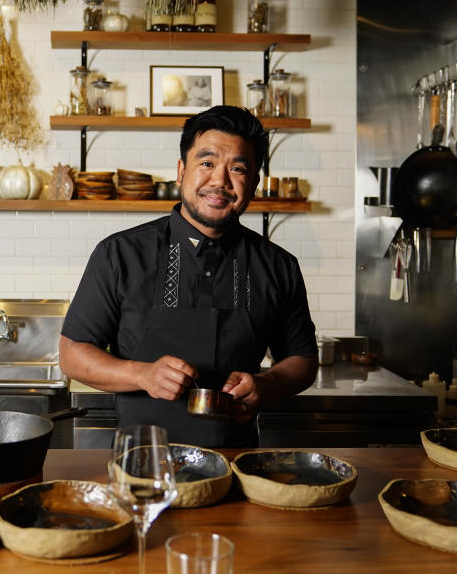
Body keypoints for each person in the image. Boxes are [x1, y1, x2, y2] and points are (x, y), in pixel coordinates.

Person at [59, 105, 318, 447]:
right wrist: (143, 374)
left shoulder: (278, 265)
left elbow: (303, 361)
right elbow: (72, 354)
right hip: (141, 465)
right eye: (207, 163)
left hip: (235, 466)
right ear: (181, 171)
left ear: (254, 183)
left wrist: (266, 385)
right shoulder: (120, 254)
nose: (220, 181)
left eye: (238, 169)